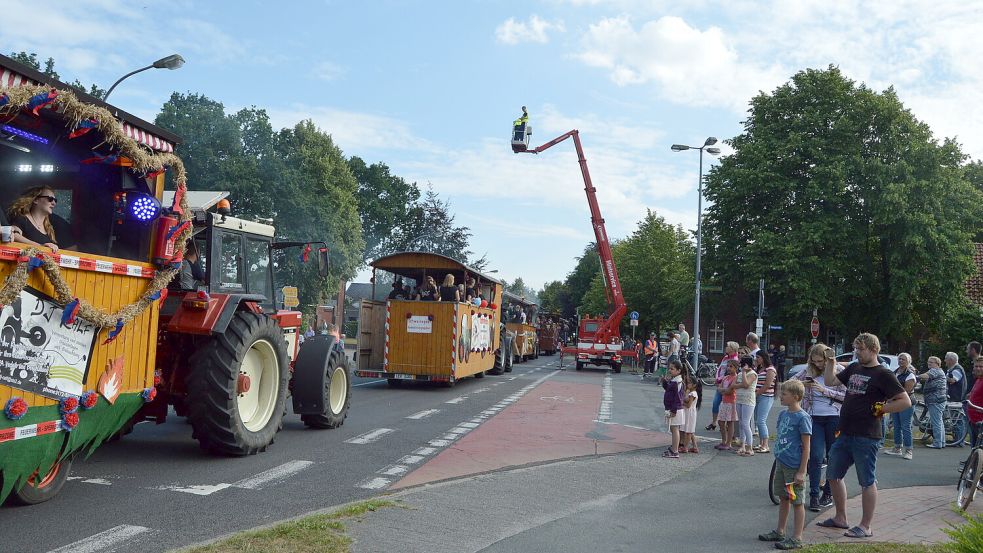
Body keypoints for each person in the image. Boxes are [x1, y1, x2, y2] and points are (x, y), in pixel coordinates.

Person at [818, 333, 910, 539]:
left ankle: (866, 526)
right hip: (845, 431)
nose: (857, 353)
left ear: (873, 350)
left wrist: (883, 408)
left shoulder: (883, 374)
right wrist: (831, 362)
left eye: (860, 349)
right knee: (833, 475)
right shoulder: (854, 368)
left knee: (866, 480)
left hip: (867, 435)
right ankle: (840, 518)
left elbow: (905, 401)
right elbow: (830, 381)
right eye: (856, 348)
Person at [759, 379, 812, 551]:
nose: (780, 396)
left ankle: (797, 537)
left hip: (793, 466)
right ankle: (780, 531)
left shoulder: (803, 418)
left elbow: (806, 447)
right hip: (782, 463)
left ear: (795, 397)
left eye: (784, 394)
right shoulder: (783, 414)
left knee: (796, 501)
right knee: (783, 497)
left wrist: (802, 471)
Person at [793, 343, 846, 511]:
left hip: (834, 417)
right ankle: (814, 495)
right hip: (814, 417)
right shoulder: (809, 370)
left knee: (833, 457)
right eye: (814, 361)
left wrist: (824, 390)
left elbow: (846, 395)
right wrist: (803, 384)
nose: (818, 365)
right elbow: (790, 383)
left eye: (820, 361)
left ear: (827, 359)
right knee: (815, 456)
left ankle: (828, 494)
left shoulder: (837, 370)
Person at [884, 352, 916, 460]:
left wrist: (891, 398)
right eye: (900, 359)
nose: (901, 361)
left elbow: (907, 390)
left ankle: (909, 450)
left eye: (903, 359)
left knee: (905, 426)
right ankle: (897, 448)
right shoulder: (895, 372)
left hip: (906, 403)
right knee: (896, 425)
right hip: (895, 402)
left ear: (908, 362)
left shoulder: (910, 375)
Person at [9, 185, 61, 252]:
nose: (54, 203)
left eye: (55, 200)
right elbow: (14, 235)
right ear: (36, 200)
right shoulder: (22, 218)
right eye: (50, 199)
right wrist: (40, 247)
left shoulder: (49, 228)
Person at [706, 341, 739, 431]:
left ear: (732, 349)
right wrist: (717, 378)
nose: (725, 347)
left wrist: (722, 380)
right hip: (721, 382)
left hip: (727, 383)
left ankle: (727, 424)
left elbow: (731, 373)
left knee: (728, 404)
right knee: (715, 403)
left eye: (727, 346)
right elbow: (720, 368)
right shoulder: (725, 358)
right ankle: (714, 422)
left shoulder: (735, 359)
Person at [918, 356, 948, 449]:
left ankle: (937, 443)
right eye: (928, 362)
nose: (929, 363)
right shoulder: (936, 371)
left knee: (936, 422)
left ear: (937, 364)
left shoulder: (935, 370)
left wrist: (915, 376)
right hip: (938, 400)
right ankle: (941, 442)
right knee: (939, 422)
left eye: (931, 362)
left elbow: (924, 376)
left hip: (936, 400)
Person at [754, 349, 779, 453]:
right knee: (757, 420)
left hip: (766, 396)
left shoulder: (770, 369)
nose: (756, 359)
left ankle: (766, 444)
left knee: (761, 421)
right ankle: (760, 443)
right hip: (758, 396)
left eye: (758, 357)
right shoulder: (759, 368)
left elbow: (767, 384)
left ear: (763, 358)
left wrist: (756, 393)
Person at [734, 356, 758, 456]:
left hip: (748, 400)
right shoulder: (739, 374)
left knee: (745, 423)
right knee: (740, 423)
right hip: (739, 399)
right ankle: (742, 446)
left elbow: (746, 384)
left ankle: (750, 447)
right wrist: (741, 383)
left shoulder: (753, 374)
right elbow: (734, 385)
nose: (740, 365)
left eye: (742, 363)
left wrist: (744, 372)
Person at [715, 358, 739, 452]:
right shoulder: (725, 377)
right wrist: (723, 390)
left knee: (730, 422)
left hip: (731, 402)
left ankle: (729, 442)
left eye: (731, 366)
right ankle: (723, 441)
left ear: (736, 368)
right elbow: (719, 388)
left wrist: (723, 390)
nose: (729, 368)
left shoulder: (735, 378)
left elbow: (730, 391)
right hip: (724, 402)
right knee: (721, 422)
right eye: (728, 366)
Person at [662, 359, 685, 458]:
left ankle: (675, 450)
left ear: (678, 370)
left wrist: (674, 410)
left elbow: (678, 398)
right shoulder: (674, 380)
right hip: (673, 408)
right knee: (673, 429)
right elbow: (668, 389)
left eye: (672, 369)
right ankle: (674, 448)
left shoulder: (678, 382)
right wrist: (664, 382)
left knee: (675, 429)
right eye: (669, 368)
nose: (670, 370)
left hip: (675, 409)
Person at [964, 356, 983, 449]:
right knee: (974, 447)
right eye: (976, 366)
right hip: (973, 420)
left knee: (979, 449)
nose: (978, 368)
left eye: (981, 366)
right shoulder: (979, 379)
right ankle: (972, 461)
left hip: (981, 421)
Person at [681, 371, 701, 453]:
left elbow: (688, 405)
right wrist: (686, 393)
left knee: (688, 431)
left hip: (690, 413)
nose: (687, 384)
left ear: (694, 385)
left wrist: (682, 402)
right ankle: (695, 447)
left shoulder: (693, 393)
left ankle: (685, 447)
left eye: (689, 383)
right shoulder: (690, 392)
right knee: (690, 430)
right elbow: (686, 399)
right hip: (688, 413)